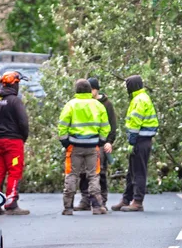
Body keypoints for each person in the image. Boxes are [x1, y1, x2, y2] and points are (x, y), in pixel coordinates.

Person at [58, 78, 112, 215]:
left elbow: (62, 125)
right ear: (89, 90)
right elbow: (105, 126)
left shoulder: (70, 105)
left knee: (72, 174)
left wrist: (65, 142)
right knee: (93, 175)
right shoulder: (98, 105)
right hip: (93, 146)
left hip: (74, 146)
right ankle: (97, 206)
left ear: (76, 90)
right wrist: (101, 141)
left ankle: (68, 207)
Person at [0, 70, 30, 215]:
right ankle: (11, 204)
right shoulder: (15, 101)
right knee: (14, 171)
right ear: (15, 84)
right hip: (13, 142)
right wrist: (23, 137)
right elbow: (23, 122)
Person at [112, 75, 157, 212]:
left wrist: (131, 141)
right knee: (131, 172)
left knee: (138, 171)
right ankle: (126, 199)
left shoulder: (139, 100)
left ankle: (137, 201)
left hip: (140, 140)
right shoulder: (140, 98)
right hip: (140, 139)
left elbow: (135, 123)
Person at [75, 77, 117, 211]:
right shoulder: (83, 103)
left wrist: (109, 142)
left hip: (100, 143)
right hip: (84, 142)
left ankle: (102, 200)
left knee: (101, 172)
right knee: (83, 172)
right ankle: (85, 199)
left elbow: (111, 124)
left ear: (96, 90)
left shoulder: (106, 104)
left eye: (92, 89)